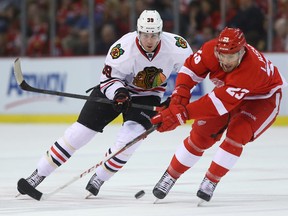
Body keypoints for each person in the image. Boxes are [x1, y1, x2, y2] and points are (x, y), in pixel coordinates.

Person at [17, 10, 193, 198]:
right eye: (145, 35)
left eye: (154, 35)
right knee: (79, 134)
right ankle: (37, 175)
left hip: (148, 95)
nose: (149, 40)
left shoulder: (177, 47)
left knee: (130, 140)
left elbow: (192, 74)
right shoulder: (122, 48)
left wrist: (176, 98)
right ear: (138, 32)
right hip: (115, 89)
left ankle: (99, 178)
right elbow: (108, 80)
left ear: (161, 33)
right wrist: (119, 93)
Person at [151, 27, 287, 203]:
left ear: (242, 51)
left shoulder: (251, 68)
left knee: (238, 133)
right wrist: (178, 98)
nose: (226, 60)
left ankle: (211, 180)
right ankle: (170, 175)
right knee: (200, 136)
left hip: (263, 99)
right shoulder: (210, 50)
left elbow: (218, 104)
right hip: (228, 93)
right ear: (217, 49)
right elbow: (190, 69)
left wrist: (181, 114)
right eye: (222, 55)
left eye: (231, 56)